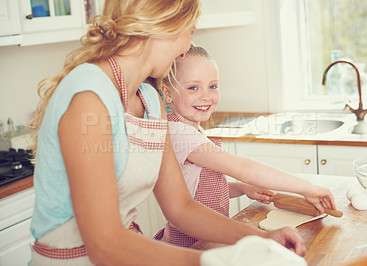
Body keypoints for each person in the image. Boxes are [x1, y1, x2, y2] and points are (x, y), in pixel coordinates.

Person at [28, 1, 309, 265]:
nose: (186, 48)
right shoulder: (88, 96)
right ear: (163, 24)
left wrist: (260, 239)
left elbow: (181, 208)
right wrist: (214, 260)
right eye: (191, 30)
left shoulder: (150, 101)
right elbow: (104, 244)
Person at [155, 45, 337, 247]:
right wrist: (307, 188)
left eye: (213, 86)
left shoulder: (190, 130)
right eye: (193, 87)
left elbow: (197, 189)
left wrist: (241, 188)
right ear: (168, 94)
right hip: (187, 244)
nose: (206, 96)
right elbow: (244, 169)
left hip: (208, 239)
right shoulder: (179, 134)